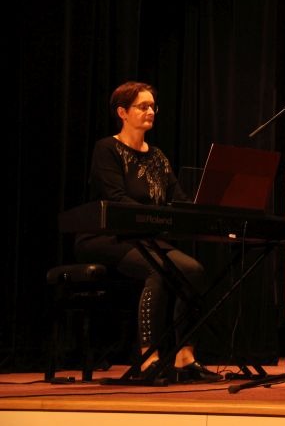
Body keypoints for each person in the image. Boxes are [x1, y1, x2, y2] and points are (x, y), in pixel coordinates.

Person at [74, 81, 223, 383]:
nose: (151, 111)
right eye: (143, 106)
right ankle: (148, 360)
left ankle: (185, 358)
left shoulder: (158, 156)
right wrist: (158, 218)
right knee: (159, 269)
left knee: (193, 271)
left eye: (153, 106)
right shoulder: (107, 149)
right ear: (122, 112)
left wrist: (205, 207)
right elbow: (116, 199)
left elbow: (178, 199)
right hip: (106, 236)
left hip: (147, 237)